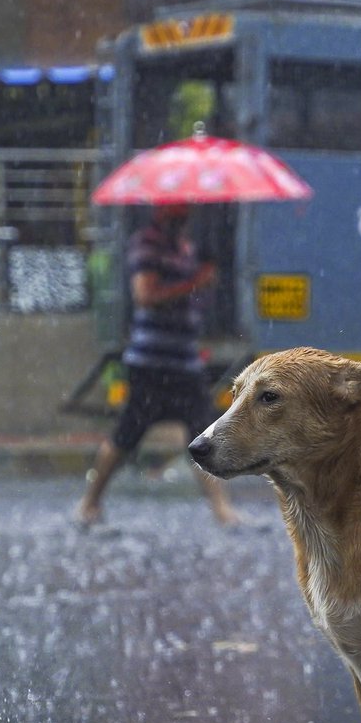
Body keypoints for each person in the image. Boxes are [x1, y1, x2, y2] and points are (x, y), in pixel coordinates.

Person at [75, 203, 238, 527]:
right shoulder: (146, 244)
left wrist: (203, 285)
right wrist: (194, 283)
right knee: (127, 434)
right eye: (177, 208)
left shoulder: (186, 248)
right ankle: (90, 504)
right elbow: (145, 294)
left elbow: (191, 299)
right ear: (161, 210)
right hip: (152, 362)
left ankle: (222, 511)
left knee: (204, 434)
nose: (184, 213)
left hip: (185, 361)